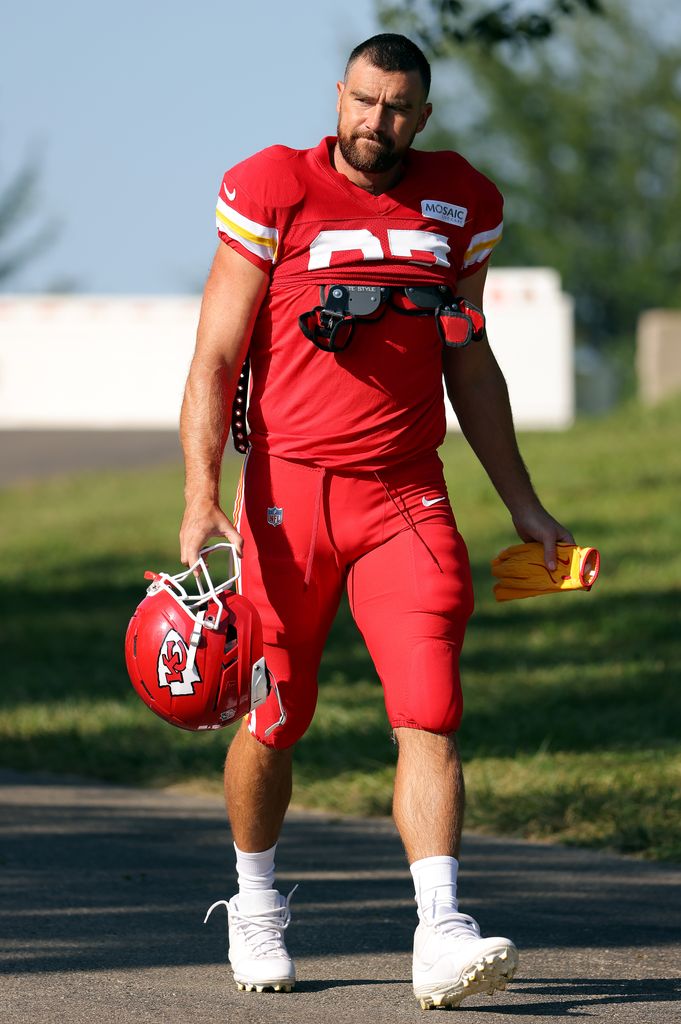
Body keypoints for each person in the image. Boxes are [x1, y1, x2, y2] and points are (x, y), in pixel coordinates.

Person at [180, 32, 574, 1010]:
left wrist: (523, 502)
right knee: (278, 712)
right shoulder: (276, 188)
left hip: (405, 493)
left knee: (432, 706)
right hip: (290, 494)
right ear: (341, 96)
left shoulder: (462, 201)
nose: (376, 122)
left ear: (423, 116)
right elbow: (215, 358)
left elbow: (467, 358)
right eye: (364, 100)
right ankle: (256, 900)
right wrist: (198, 491)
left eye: (397, 107)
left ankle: (441, 926)